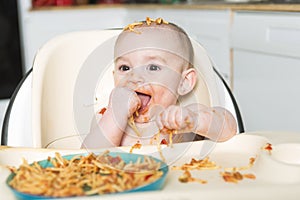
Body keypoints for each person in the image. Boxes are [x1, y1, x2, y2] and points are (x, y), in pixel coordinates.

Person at [82, 17, 237, 149]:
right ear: (114, 76)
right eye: (125, 67)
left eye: (153, 67)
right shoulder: (106, 120)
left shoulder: (183, 118)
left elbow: (229, 128)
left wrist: (195, 120)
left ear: (184, 82)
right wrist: (115, 115)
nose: (134, 77)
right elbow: (86, 161)